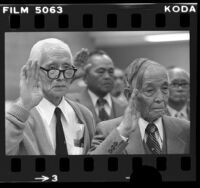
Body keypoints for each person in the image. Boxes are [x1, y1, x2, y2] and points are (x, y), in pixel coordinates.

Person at [6, 38, 95, 155]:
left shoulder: (83, 114)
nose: (61, 77)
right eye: (52, 68)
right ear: (34, 70)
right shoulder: (19, 117)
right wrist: (23, 105)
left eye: (67, 68)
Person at [89, 58, 190, 154]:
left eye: (164, 88)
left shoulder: (185, 128)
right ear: (129, 95)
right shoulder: (107, 129)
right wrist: (123, 131)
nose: (160, 98)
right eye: (150, 91)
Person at [66, 50, 126, 124]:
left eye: (111, 71)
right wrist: (71, 77)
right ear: (85, 77)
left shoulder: (125, 107)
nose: (107, 76)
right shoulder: (70, 103)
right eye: (101, 71)